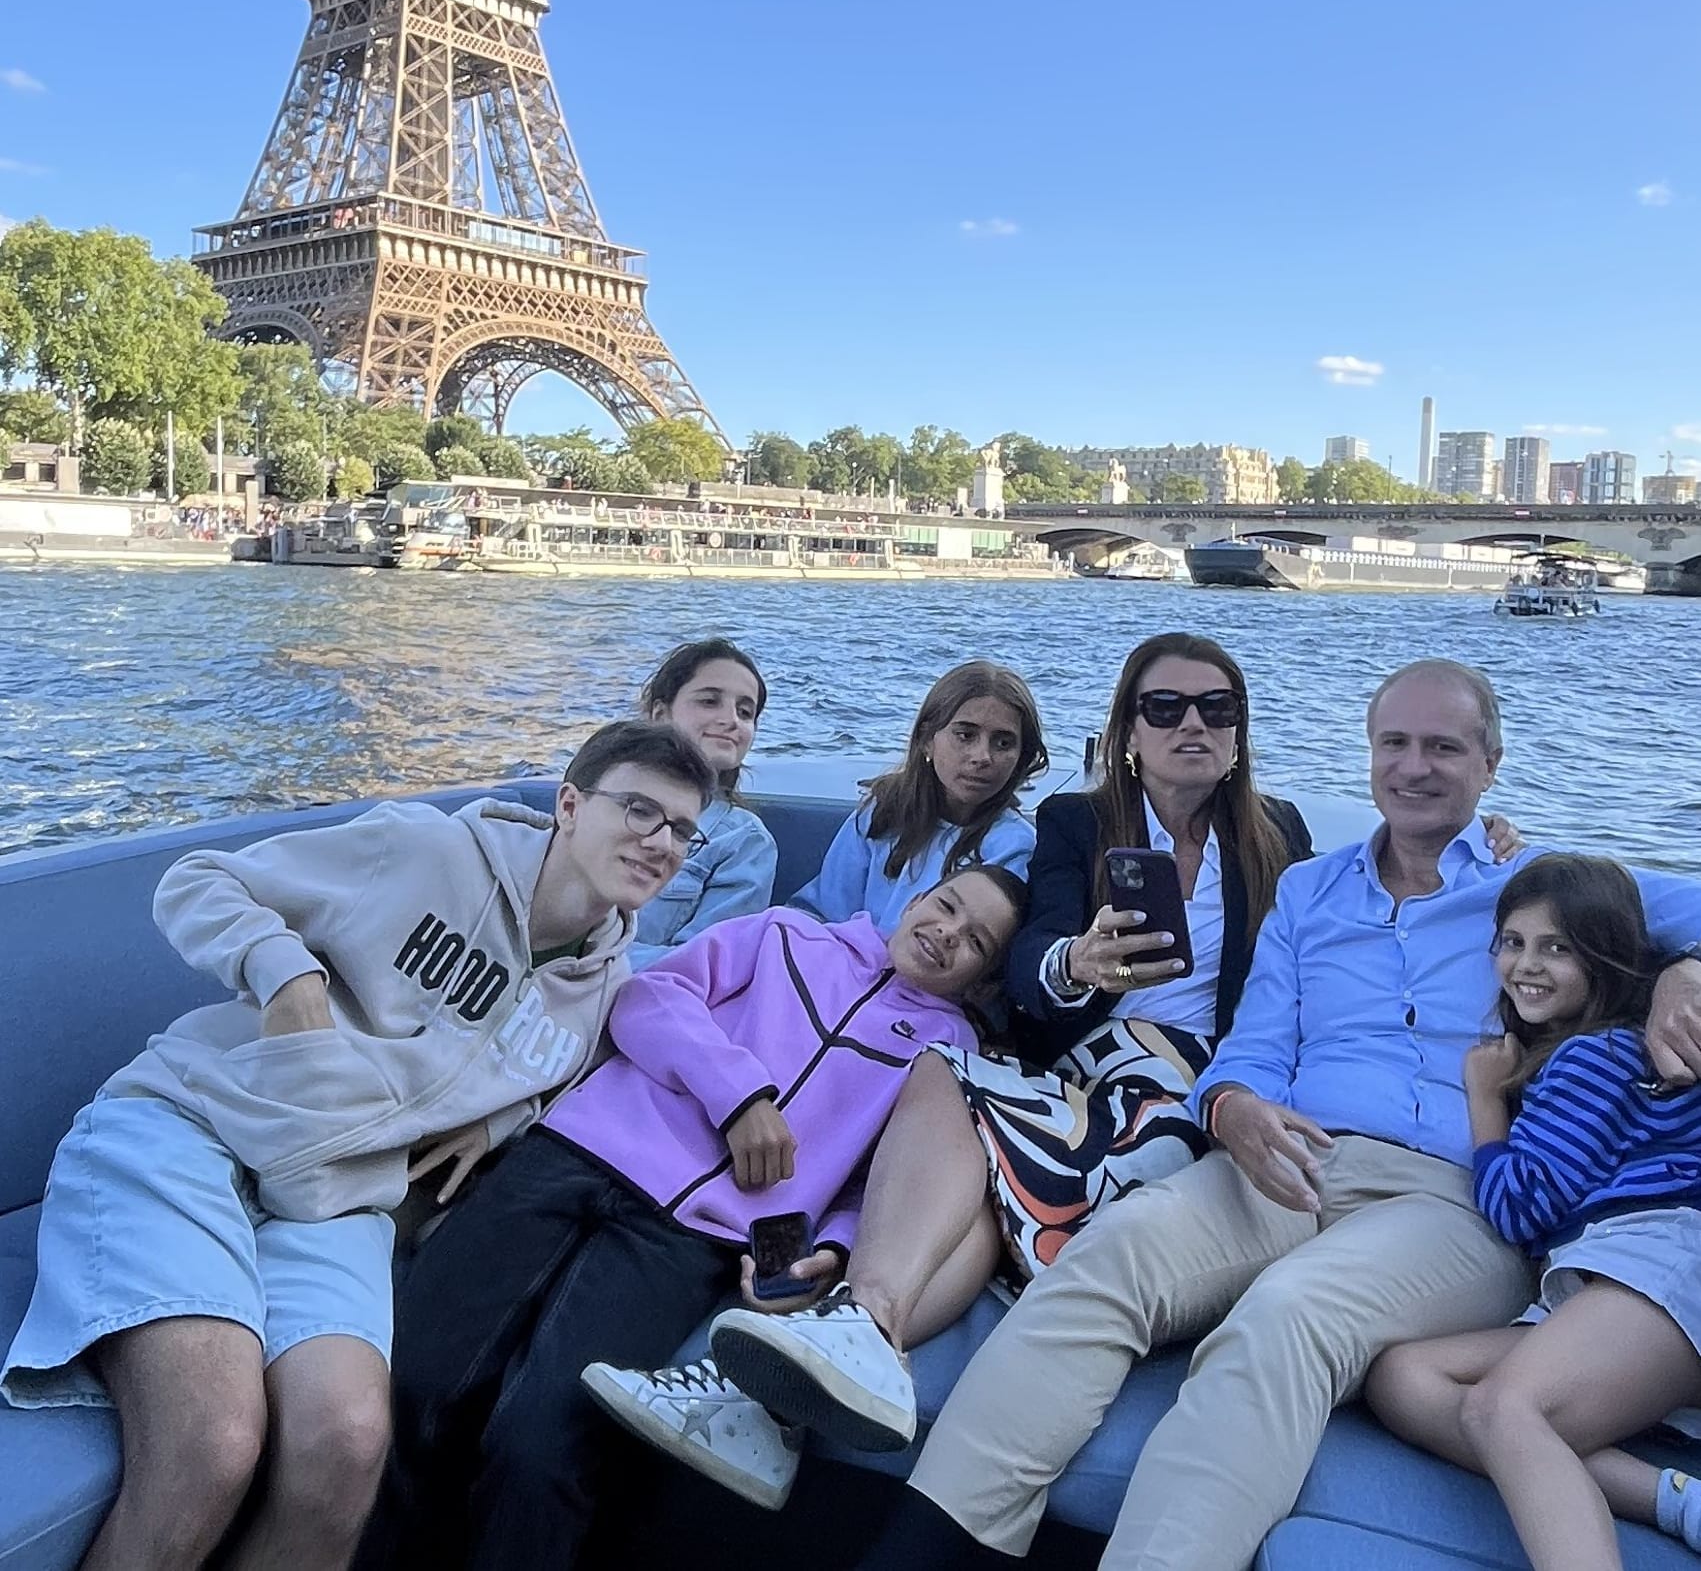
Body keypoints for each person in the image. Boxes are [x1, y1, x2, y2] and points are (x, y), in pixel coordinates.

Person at [841, 657, 1701, 1571]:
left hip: (1452, 1199)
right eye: (1395, 744)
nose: (1415, 767)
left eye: (1443, 747)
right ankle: (926, 1546)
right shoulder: (1310, 890)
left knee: (1283, 1321)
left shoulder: (1536, 885)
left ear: (1488, 763)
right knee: (1105, 1261)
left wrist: (1684, 970)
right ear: (1368, 756)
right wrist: (1229, 1102)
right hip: (1290, 1157)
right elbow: (1252, 1042)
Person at [593, 632, 1314, 1503]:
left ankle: (790, 1352)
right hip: (891, 1052)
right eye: (1163, 707)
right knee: (934, 1146)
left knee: (922, 1132)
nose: (1190, 724)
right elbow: (985, 944)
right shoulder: (1035, 828)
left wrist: (1485, 849)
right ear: (1128, 727)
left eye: (1215, 709)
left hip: (1125, 1076)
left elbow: (1301, 957)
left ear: (1239, 731)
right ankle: (810, 1339)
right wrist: (1073, 965)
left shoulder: (1270, 836)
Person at [1, 720, 715, 1571]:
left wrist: (494, 1123)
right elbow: (197, 882)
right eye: (638, 809)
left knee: (346, 1444)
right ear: (568, 804)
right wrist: (288, 976)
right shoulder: (424, 851)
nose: (658, 840)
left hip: (334, 1202)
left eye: (680, 829)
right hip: (190, 1130)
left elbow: (563, 1084)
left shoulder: (602, 990)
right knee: (213, 1439)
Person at [354, 866, 1027, 1571]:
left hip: (690, 1242)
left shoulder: (945, 1055)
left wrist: (824, 1253)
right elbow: (650, 996)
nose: (946, 933)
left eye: (974, 941)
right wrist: (737, 1095)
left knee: (542, 1440)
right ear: (917, 898)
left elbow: (874, 1187)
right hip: (574, 1154)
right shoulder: (785, 936)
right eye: (945, 907)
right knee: (418, 1382)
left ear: (983, 978)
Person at [1366, 854, 1701, 1571]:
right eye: (1511, 942)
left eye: (1557, 947)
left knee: (1501, 1410)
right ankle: (1677, 1502)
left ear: (1606, 957)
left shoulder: (1594, 1058)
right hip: (1615, 1284)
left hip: (1664, 1263)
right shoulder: (1612, 1049)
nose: (1526, 965)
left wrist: (1485, 1099)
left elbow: (1520, 1208)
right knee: (1403, 1378)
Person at [791, 661, 1045, 931]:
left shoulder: (1014, 847)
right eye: (965, 735)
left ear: (1021, 758)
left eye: (1003, 743)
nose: (982, 756)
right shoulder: (882, 812)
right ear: (927, 739)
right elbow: (825, 912)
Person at [630, 637, 778, 967]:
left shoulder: (744, 841)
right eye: (710, 701)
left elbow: (699, 963)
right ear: (660, 714)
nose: (731, 720)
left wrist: (589, 966)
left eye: (745, 711)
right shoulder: (601, 800)